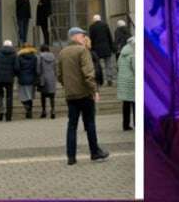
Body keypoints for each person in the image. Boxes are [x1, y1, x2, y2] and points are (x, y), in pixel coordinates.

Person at [57, 27, 109, 165]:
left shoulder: (62, 52)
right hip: (85, 93)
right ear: (74, 36)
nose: (83, 37)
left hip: (71, 95)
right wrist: (94, 91)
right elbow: (88, 73)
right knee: (90, 123)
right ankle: (95, 152)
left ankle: (71, 157)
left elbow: (59, 75)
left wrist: (67, 86)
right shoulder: (82, 50)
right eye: (81, 35)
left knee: (72, 126)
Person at [0, 39, 18, 122]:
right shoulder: (14, 54)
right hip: (9, 78)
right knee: (9, 97)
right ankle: (8, 116)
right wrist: (14, 74)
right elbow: (17, 67)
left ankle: (1, 111)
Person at [88, 14, 115, 86]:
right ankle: (109, 79)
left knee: (97, 65)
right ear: (100, 19)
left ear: (94, 20)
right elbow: (109, 37)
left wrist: (91, 48)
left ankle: (99, 81)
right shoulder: (105, 25)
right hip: (106, 48)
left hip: (96, 49)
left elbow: (91, 38)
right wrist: (112, 47)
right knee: (108, 64)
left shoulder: (92, 27)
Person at [16, 43, 40, 119]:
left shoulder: (19, 57)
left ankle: (27, 108)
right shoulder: (35, 57)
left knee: (23, 97)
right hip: (32, 79)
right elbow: (37, 69)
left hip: (22, 79)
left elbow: (17, 68)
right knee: (30, 97)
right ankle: (29, 111)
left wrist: (18, 75)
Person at [117, 36, 135, 132]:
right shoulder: (133, 53)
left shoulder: (122, 53)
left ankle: (125, 124)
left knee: (126, 104)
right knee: (135, 104)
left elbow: (118, 65)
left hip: (123, 81)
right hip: (132, 81)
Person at [37, 44, 57, 119]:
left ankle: (44, 111)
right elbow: (55, 67)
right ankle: (53, 110)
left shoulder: (40, 56)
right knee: (52, 96)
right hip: (52, 77)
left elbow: (38, 68)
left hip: (43, 78)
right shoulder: (53, 56)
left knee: (43, 95)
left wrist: (38, 75)